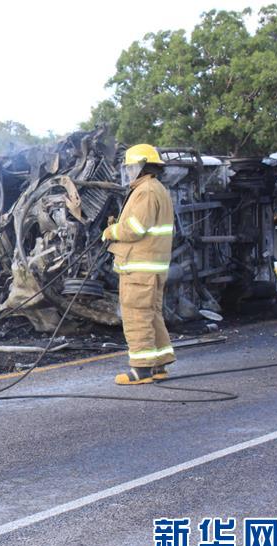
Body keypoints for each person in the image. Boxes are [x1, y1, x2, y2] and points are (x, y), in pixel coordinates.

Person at [102, 144, 176, 385]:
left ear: (143, 166)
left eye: (131, 167)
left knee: (136, 316)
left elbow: (135, 228)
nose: (129, 171)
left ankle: (141, 370)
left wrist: (112, 230)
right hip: (151, 266)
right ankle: (159, 364)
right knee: (151, 314)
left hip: (139, 268)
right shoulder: (157, 189)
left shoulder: (145, 191)